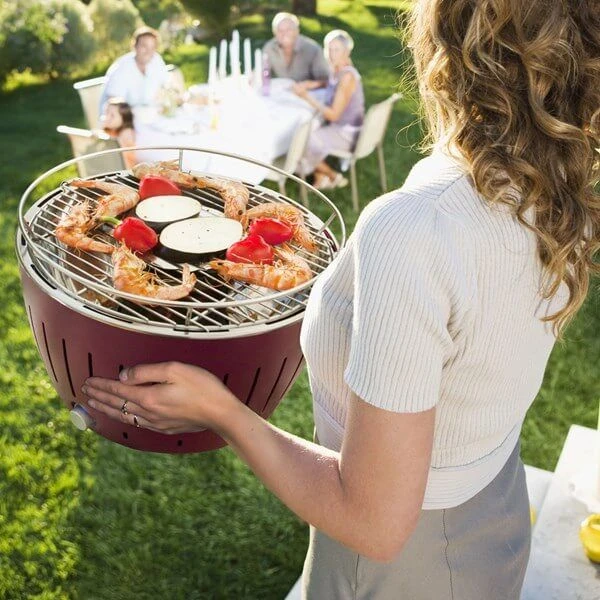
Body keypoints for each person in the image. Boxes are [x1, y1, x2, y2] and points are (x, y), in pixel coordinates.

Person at [81, 1, 600, 598]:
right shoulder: (553, 187)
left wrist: (220, 411)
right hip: (494, 511)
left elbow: (373, 523)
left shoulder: (416, 226)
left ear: (445, 43)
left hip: (407, 569)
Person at [292, 29, 365, 190]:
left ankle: (333, 176)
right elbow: (332, 83)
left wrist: (306, 96)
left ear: (347, 52)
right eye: (329, 49)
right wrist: (312, 84)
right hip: (343, 128)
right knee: (307, 132)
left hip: (347, 134)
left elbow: (333, 115)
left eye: (336, 50)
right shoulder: (339, 68)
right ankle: (321, 177)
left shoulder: (347, 76)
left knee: (301, 141)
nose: (332, 54)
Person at [99, 26, 170, 114]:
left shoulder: (156, 60)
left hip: (148, 115)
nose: (149, 51)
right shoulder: (121, 68)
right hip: (121, 118)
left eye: (152, 47)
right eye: (144, 46)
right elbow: (113, 103)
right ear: (135, 46)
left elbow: (167, 85)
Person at [263, 12, 330, 89]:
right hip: (284, 92)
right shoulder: (269, 48)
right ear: (274, 33)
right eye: (280, 30)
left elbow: (326, 80)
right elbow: (261, 72)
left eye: (288, 29)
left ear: (297, 30)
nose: (284, 34)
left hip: (310, 93)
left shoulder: (312, 49)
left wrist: (307, 85)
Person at [100, 98, 137, 170]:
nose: (107, 117)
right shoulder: (112, 131)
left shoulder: (126, 134)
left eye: (112, 115)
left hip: (125, 171)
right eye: (106, 113)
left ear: (124, 117)